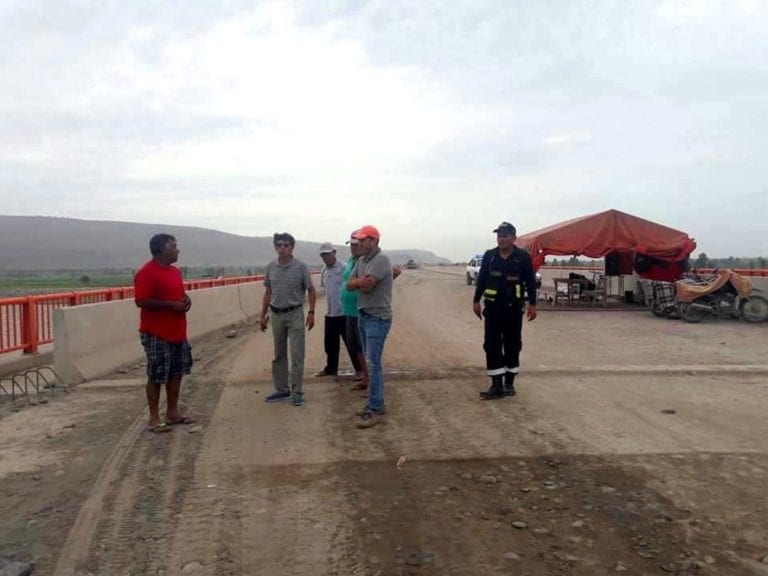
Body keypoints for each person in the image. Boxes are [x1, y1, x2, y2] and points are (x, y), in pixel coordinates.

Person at [133, 233, 194, 433]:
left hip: (177, 331)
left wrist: (185, 301)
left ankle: (172, 412)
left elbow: (179, 294)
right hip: (157, 333)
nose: (178, 250)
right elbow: (141, 300)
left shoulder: (175, 272)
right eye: (174, 246)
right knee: (157, 374)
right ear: (162, 249)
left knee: (176, 372)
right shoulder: (146, 273)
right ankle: (153, 417)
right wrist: (170, 306)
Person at [472, 221, 537, 400]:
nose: (501, 239)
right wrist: (476, 300)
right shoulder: (490, 256)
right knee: (491, 345)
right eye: (499, 235)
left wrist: (533, 304)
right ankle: (496, 384)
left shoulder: (522, 257)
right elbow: (482, 280)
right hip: (492, 310)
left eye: (505, 235)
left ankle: (509, 382)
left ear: (513, 238)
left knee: (512, 345)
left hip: (513, 310)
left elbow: (530, 282)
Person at [260, 233, 316, 406]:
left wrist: (311, 312)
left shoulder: (300, 267)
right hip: (276, 314)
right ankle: (282, 389)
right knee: (279, 354)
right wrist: (262, 315)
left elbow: (311, 290)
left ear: (292, 247)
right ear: (275, 247)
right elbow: (268, 292)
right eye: (279, 245)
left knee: (297, 353)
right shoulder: (271, 267)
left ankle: (297, 391)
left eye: (286, 245)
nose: (282, 247)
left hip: (294, 314)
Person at [346, 225, 394, 428]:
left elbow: (368, 285)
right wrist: (359, 281)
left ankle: (374, 408)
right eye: (360, 240)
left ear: (374, 241)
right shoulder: (362, 260)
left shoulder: (381, 260)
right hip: (364, 316)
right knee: (371, 362)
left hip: (377, 318)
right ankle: (377, 403)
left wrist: (360, 282)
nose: (360, 243)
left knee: (373, 364)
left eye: (364, 240)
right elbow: (349, 285)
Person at [316, 242, 362, 379]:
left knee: (351, 343)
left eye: (328, 254)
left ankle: (360, 370)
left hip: (344, 313)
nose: (326, 257)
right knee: (330, 345)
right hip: (330, 313)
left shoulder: (343, 267)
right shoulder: (323, 270)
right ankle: (331, 368)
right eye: (323, 255)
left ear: (334, 253)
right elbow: (326, 288)